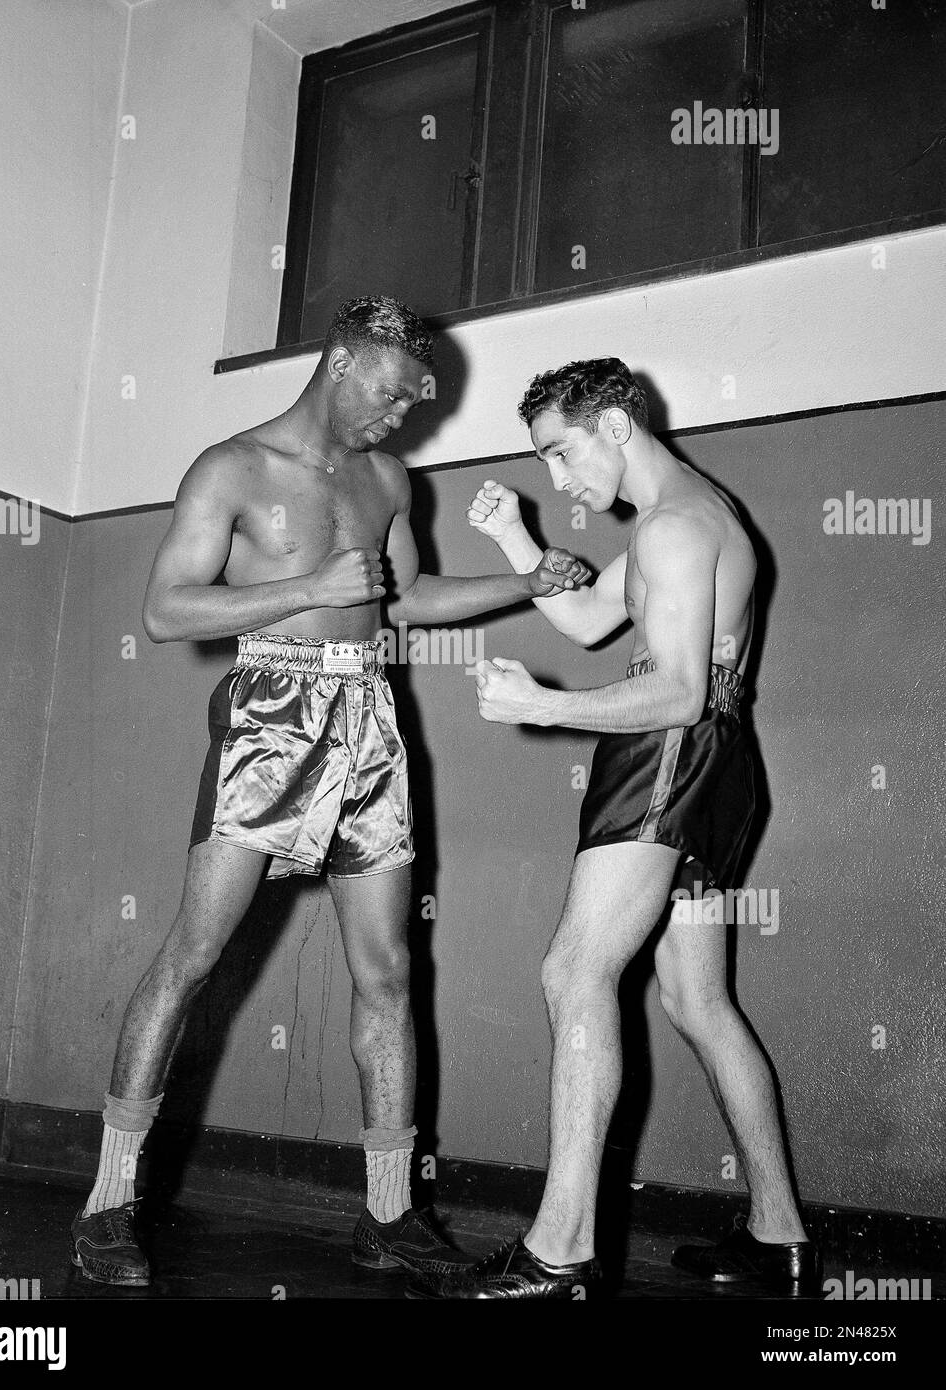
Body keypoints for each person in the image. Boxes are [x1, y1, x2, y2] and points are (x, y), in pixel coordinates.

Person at [69, 297, 589, 1287]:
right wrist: (305, 589)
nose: (401, 417)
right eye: (391, 394)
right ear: (341, 363)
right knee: (193, 953)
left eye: (413, 401)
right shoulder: (231, 467)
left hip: (371, 722)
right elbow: (166, 608)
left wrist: (526, 582)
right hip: (269, 708)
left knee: (388, 971)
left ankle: (389, 1214)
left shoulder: (386, 477)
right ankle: (105, 1206)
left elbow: (407, 597)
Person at [410, 357, 819, 1299]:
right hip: (720, 762)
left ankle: (561, 1252)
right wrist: (518, 539)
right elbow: (594, 618)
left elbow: (672, 692)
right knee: (697, 1004)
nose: (559, 480)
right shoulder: (690, 513)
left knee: (573, 969)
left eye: (560, 452)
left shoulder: (675, 528)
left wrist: (546, 708)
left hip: (671, 754)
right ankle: (779, 1237)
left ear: (614, 426)